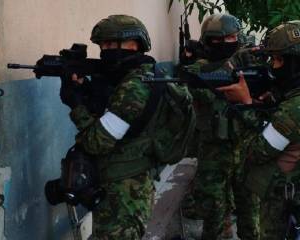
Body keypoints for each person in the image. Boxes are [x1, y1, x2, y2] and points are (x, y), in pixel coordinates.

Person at [59, 15, 195, 239]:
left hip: (125, 193)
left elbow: (96, 142)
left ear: (134, 44)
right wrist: (89, 95)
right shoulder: (137, 77)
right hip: (124, 185)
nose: (105, 50)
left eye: (112, 44)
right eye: (102, 45)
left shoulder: (135, 87)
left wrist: (76, 104)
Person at [218, 20, 300, 240]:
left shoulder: (294, 109)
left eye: (279, 59)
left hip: (283, 203)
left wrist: (245, 104)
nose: (273, 66)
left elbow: (257, 151)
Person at [181, 13, 260, 240]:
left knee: (250, 215)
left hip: (246, 151)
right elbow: (197, 90)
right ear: (209, 40)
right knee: (213, 215)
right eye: (221, 39)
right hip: (214, 153)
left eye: (233, 37)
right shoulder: (199, 70)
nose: (229, 43)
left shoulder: (248, 65)